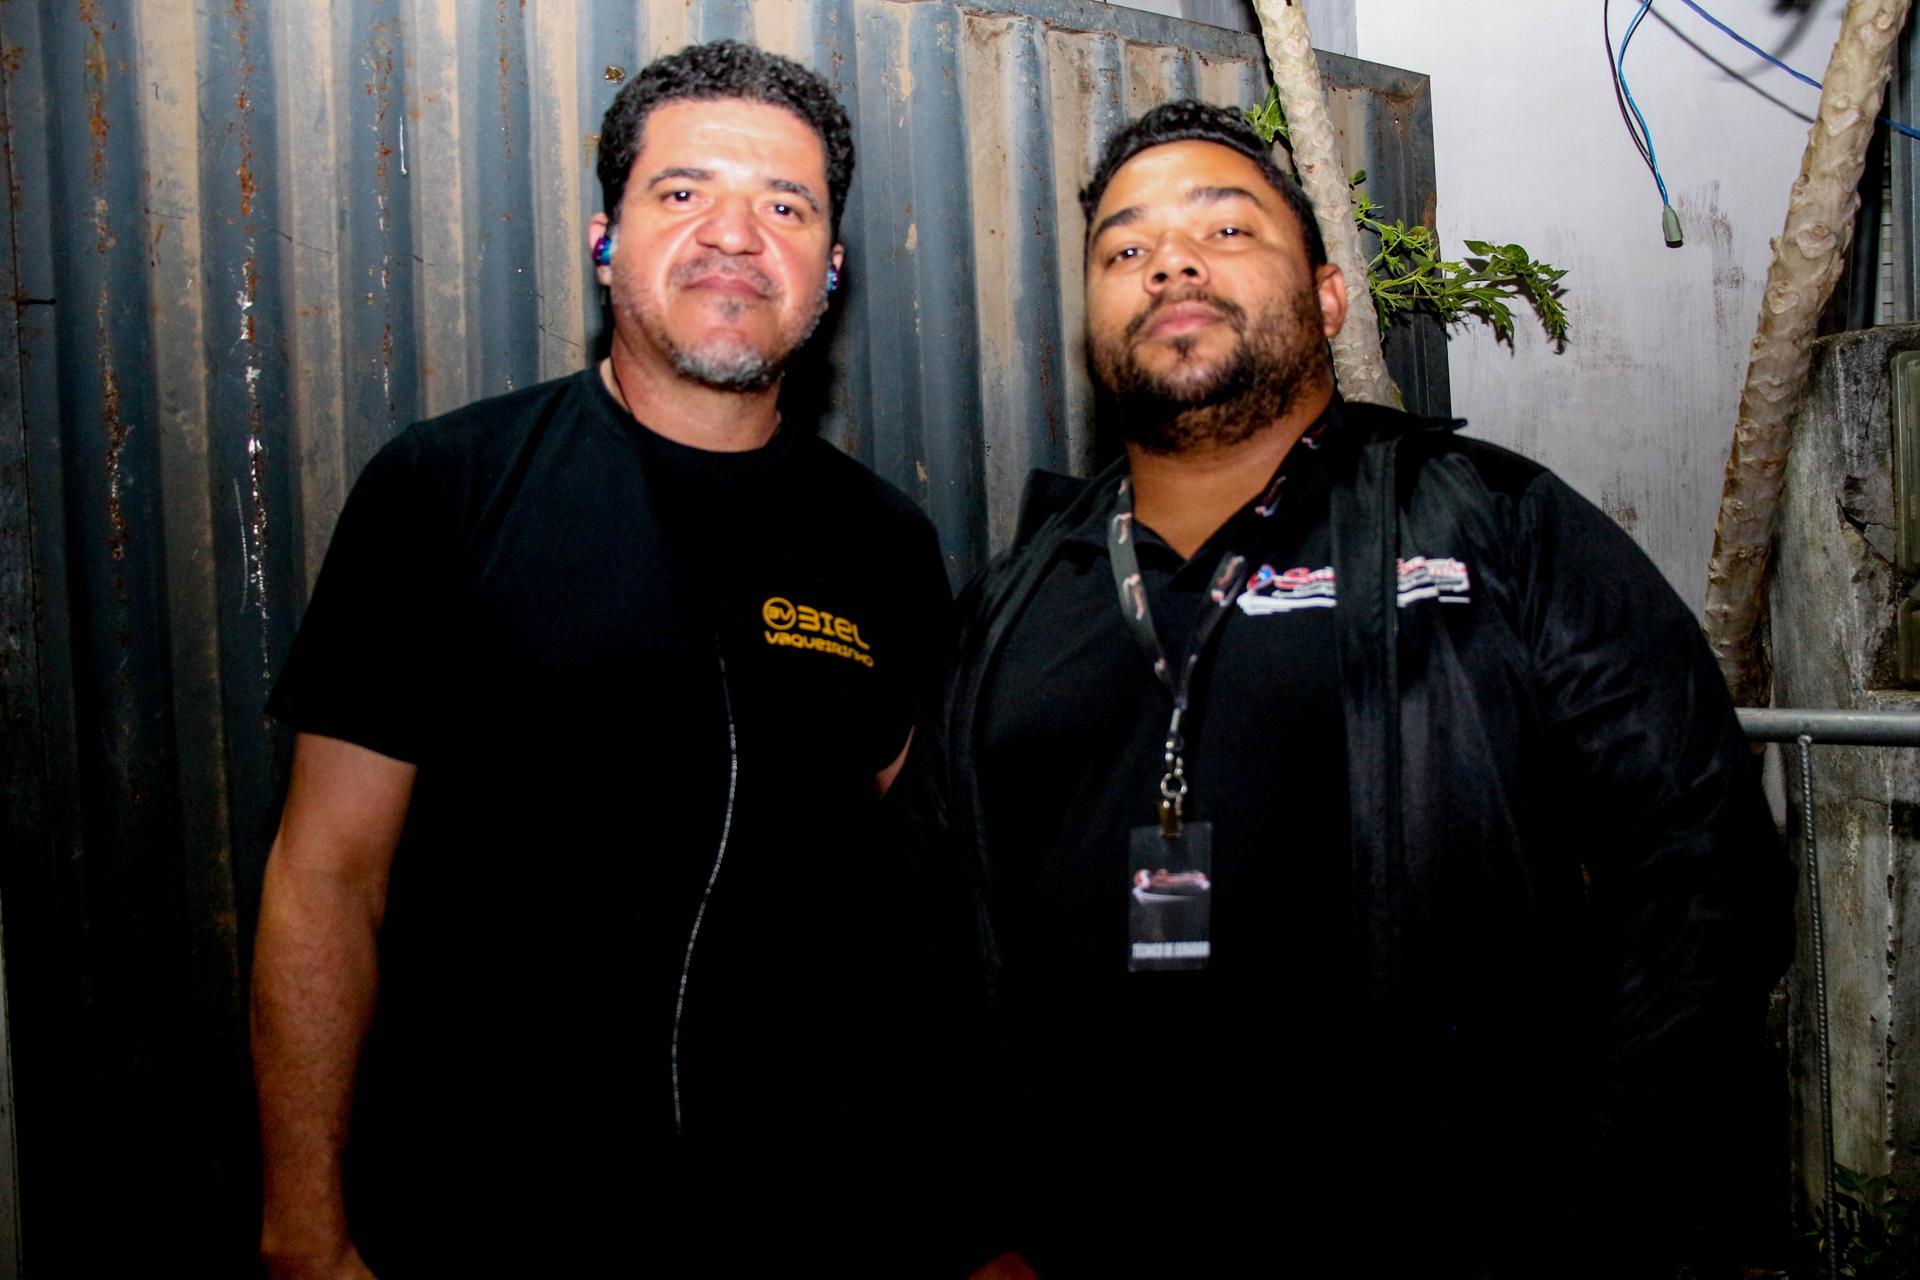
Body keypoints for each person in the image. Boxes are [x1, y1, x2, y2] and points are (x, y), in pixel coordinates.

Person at [946, 101, 1792, 1277]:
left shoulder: (1495, 524)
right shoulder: (1013, 601)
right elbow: (937, 933)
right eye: (1124, 248)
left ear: (1330, 297)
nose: (1170, 262)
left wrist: (1612, 1195)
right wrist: (979, 1221)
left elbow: (1702, 860)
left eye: (1226, 229)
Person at [251, 41, 954, 1277]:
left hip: (800, 1220)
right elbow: (326, 879)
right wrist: (307, 1230)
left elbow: (912, 895)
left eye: (786, 206)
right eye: (683, 191)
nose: (734, 234)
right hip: (484, 1219)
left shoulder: (884, 541)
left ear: (832, 269)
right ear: (604, 242)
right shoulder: (448, 487)